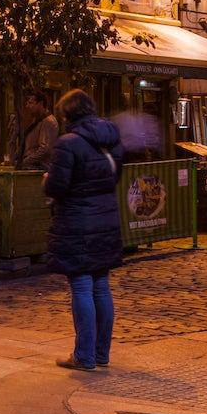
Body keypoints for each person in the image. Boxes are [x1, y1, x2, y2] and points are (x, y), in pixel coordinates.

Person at [44, 88, 125, 371]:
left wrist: (46, 180)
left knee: (81, 285)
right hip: (105, 219)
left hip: (77, 221)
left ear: (67, 114)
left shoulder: (68, 143)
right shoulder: (111, 139)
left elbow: (57, 186)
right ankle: (101, 353)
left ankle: (84, 356)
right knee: (101, 285)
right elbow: (113, 177)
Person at [20, 90, 59, 172]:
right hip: (33, 167)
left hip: (40, 169)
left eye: (31, 103)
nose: (27, 106)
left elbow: (44, 149)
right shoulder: (38, 120)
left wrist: (24, 162)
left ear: (40, 103)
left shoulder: (48, 121)